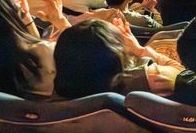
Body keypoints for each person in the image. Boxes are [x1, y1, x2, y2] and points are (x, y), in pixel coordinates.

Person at [53, 19, 183, 98]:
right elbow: (182, 73)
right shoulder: (152, 78)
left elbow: (79, 50)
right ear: (115, 55)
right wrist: (140, 50)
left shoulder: (54, 94)